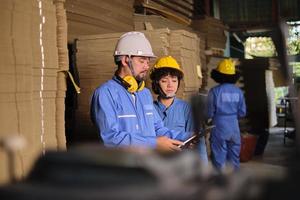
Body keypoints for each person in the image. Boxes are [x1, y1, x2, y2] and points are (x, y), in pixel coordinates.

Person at [90, 31, 183, 152]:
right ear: (125, 60)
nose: (147, 66)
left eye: (148, 61)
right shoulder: (105, 94)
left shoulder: (144, 94)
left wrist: (187, 136)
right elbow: (110, 138)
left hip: (148, 165)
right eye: (142, 61)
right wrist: (153, 143)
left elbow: (158, 129)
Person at [150, 56, 208, 164]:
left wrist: (203, 168)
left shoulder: (186, 109)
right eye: (164, 81)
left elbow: (197, 139)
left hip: (180, 165)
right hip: (155, 165)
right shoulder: (149, 109)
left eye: (174, 80)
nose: (170, 85)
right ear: (156, 83)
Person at [207, 58, 246, 171]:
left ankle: (220, 181)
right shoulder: (238, 92)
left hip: (219, 127)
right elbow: (242, 112)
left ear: (218, 74)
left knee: (218, 156)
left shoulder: (214, 91)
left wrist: (207, 119)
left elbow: (209, 112)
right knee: (234, 157)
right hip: (234, 127)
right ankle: (235, 182)